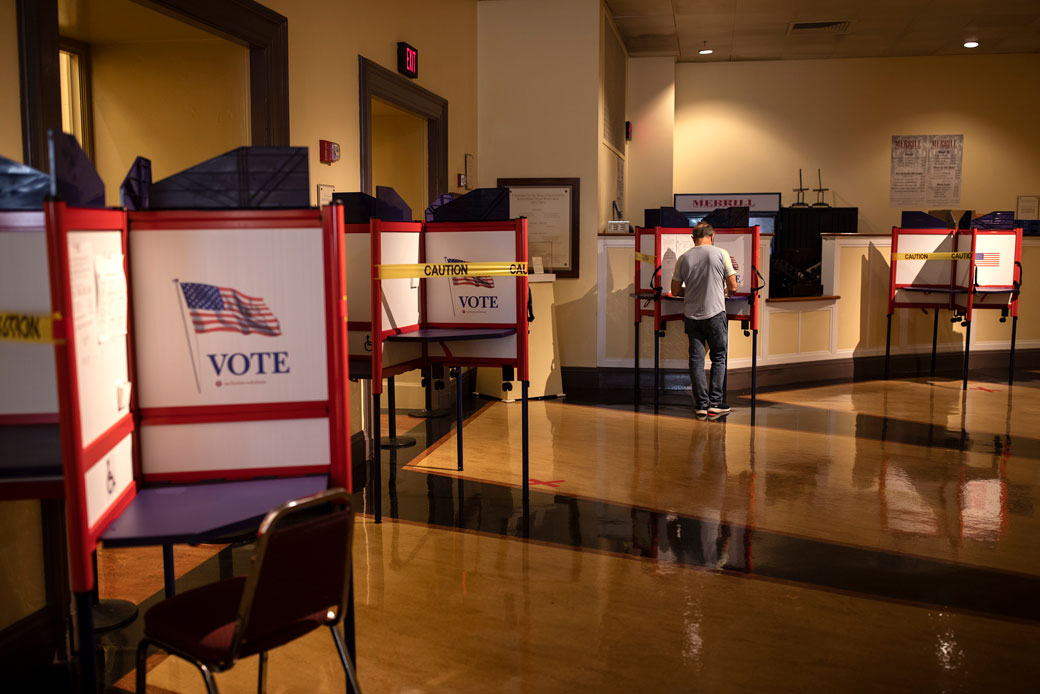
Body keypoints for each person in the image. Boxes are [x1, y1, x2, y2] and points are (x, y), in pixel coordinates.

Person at [670, 221, 738, 418]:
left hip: (692, 316)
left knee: (696, 361)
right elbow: (733, 287)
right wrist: (722, 292)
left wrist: (692, 291)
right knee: (718, 358)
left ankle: (700, 405)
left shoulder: (683, 258)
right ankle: (715, 403)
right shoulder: (721, 254)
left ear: (693, 238)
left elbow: (675, 290)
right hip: (715, 313)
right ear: (712, 236)